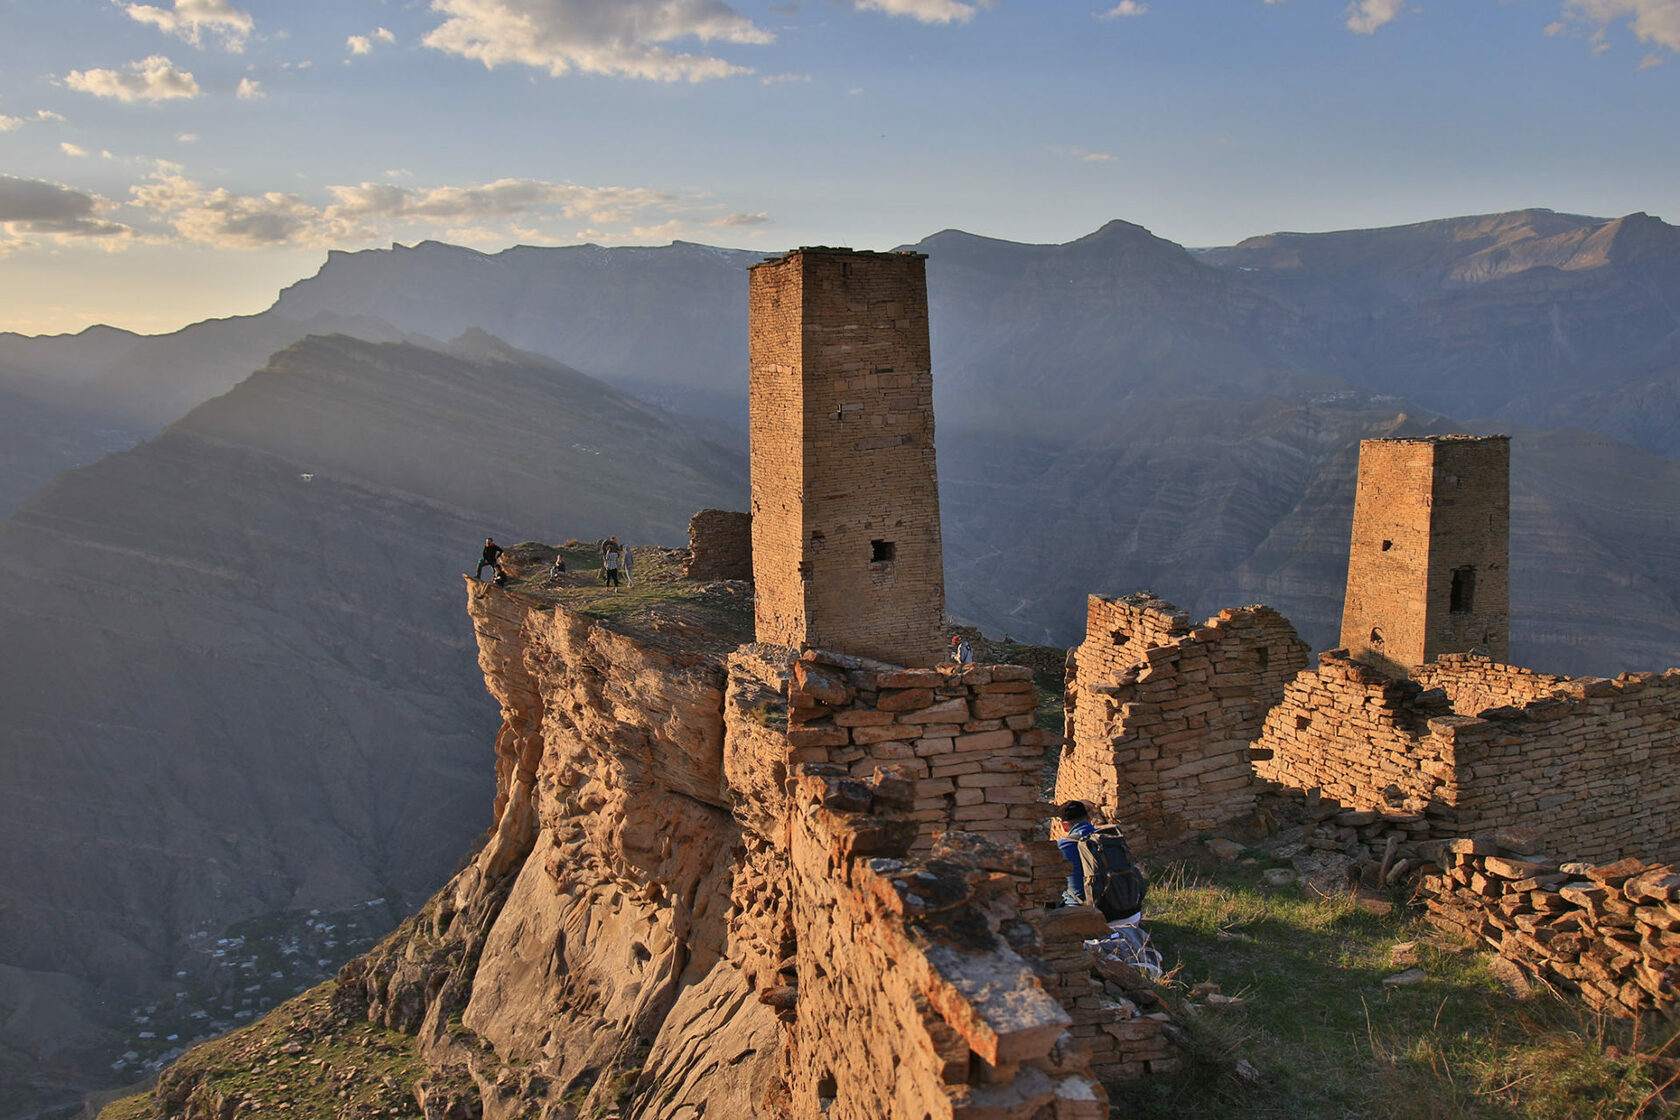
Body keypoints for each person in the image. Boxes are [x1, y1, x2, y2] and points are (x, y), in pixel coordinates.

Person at [1053, 801, 1098, 907]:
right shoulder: (1108, 837)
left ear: (1063, 826)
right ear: (1089, 818)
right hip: (1128, 911)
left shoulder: (1062, 846)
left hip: (1084, 913)